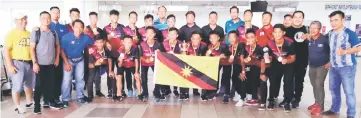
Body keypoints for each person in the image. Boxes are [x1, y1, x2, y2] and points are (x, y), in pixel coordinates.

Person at [322, 10, 361, 118]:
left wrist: (345, 52)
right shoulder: (330, 33)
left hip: (347, 67)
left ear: (342, 20)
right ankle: (335, 109)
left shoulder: (349, 33)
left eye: (336, 20)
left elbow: (359, 47)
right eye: (331, 21)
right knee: (333, 90)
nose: (333, 23)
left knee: (349, 92)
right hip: (334, 67)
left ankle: (351, 115)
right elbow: (332, 49)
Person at [30, 11, 62, 114]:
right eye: (43, 18)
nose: (46, 20)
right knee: (39, 86)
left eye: (48, 18)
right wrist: (34, 63)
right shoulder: (36, 32)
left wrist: (57, 58)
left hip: (51, 64)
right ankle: (37, 105)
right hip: (40, 65)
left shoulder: (53, 33)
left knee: (50, 84)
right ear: (40, 19)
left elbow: (57, 46)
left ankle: (49, 101)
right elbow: (32, 49)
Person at [4, 12, 34, 114]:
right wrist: (10, 65)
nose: (24, 21)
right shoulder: (11, 34)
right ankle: (17, 106)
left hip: (29, 62)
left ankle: (29, 102)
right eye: (21, 19)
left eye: (25, 19)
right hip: (17, 63)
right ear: (16, 21)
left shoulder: (30, 34)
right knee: (17, 86)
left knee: (29, 84)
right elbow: (6, 51)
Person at [60, 19, 94, 107]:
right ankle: (65, 99)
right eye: (76, 27)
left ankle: (80, 97)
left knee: (80, 79)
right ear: (72, 27)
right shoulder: (66, 37)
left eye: (81, 27)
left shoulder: (85, 37)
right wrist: (66, 63)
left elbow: (95, 43)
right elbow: (61, 51)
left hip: (80, 60)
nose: (78, 29)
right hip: (68, 60)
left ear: (83, 29)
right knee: (67, 80)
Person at [266, 24, 296, 112]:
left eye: (279, 32)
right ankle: (271, 100)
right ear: (273, 33)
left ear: (283, 33)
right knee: (273, 81)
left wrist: (287, 61)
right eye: (275, 32)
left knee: (288, 82)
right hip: (275, 64)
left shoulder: (290, 42)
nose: (277, 34)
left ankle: (287, 101)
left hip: (288, 64)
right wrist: (267, 58)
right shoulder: (270, 43)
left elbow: (293, 58)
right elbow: (267, 54)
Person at [283, 11, 309, 108]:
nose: (297, 19)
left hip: (302, 61)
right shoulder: (286, 31)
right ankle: (287, 99)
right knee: (288, 80)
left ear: (303, 19)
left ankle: (297, 99)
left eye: (300, 17)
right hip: (289, 59)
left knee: (299, 80)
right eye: (296, 17)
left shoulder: (307, 30)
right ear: (292, 18)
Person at [239, 29, 268, 109]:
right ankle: (243, 97)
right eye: (248, 37)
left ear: (256, 38)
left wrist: (262, 73)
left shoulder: (261, 48)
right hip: (252, 68)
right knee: (242, 75)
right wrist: (243, 71)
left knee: (261, 78)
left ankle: (262, 101)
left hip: (263, 68)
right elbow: (242, 61)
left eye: (252, 37)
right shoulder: (245, 48)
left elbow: (264, 62)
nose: (250, 39)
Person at [306, 21, 330, 115]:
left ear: (319, 29)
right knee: (314, 84)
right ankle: (316, 102)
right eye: (311, 28)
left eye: (315, 28)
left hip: (322, 66)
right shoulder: (309, 39)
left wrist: (330, 62)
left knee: (318, 84)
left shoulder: (324, 39)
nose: (312, 30)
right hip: (312, 65)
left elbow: (333, 50)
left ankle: (320, 106)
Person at [103, 9, 126, 98]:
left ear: (118, 17)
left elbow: (124, 40)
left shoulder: (122, 27)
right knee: (110, 71)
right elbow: (103, 41)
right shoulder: (106, 28)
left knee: (120, 71)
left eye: (116, 16)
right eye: (112, 16)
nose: (114, 18)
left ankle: (121, 89)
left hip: (119, 53)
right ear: (110, 17)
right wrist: (108, 40)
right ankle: (110, 90)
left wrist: (121, 52)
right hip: (109, 54)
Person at [139, 26, 165, 102]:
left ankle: (156, 93)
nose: (149, 35)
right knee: (143, 78)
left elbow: (163, 55)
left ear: (154, 34)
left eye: (151, 33)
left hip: (155, 63)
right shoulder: (142, 44)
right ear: (145, 34)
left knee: (158, 77)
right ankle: (145, 93)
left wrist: (159, 53)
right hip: (144, 63)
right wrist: (146, 60)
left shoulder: (159, 44)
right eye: (148, 33)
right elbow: (140, 55)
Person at [49, 6, 69, 105]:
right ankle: (48, 98)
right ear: (50, 14)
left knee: (58, 77)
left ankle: (56, 97)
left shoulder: (63, 27)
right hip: (48, 56)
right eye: (54, 13)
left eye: (58, 13)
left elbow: (66, 42)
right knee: (49, 77)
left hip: (61, 55)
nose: (56, 15)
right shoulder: (47, 26)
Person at [84, 12, 106, 97]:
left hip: (99, 55)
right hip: (89, 55)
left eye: (95, 18)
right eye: (91, 18)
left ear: (97, 19)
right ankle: (90, 95)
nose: (93, 20)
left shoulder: (100, 30)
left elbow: (103, 41)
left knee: (98, 75)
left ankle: (98, 91)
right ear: (89, 19)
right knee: (90, 75)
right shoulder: (85, 29)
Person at [205, 31, 231, 103]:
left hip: (226, 62)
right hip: (217, 63)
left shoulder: (224, 45)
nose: (213, 40)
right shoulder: (210, 46)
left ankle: (226, 94)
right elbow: (207, 56)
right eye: (211, 38)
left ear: (218, 38)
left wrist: (220, 56)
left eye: (214, 38)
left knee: (226, 77)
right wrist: (208, 54)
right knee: (214, 76)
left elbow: (224, 55)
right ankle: (213, 91)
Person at [87, 34, 113, 102]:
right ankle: (90, 95)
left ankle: (109, 92)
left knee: (110, 74)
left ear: (104, 42)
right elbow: (89, 65)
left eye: (101, 42)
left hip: (104, 63)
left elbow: (109, 60)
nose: (99, 44)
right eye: (97, 42)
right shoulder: (91, 50)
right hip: (93, 63)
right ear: (94, 43)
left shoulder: (107, 48)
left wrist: (110, 70)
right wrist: (95, 63)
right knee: (92, 77)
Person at [121, 11, 142, 98]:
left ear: (136, 19)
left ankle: (136, 88)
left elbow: (140, 42)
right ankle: (129, 89)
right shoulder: (124, 29)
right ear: (129, 18)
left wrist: (137, 40)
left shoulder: (138, 30)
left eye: (135, 17)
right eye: (131, 17)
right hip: (126, 54)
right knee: (127, 73)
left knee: (136, 72)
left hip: (135, 53)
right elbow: (122, 41)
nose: (133, 19)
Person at [117, 36, 141, 100]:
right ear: (123, 43)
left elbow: (136, 60)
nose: (129, 44)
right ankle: (119, 94)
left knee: (137, 76)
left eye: (130, 42)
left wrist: (136, 72)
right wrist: (121, 60)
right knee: (119, 77)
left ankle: (140, 93)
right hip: (123, 65)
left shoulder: (135, 48)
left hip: (132, 64)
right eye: (127, 42)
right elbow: (119, 65)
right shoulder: (120, 50)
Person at [186, 31, 208, 100]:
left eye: (197, 38)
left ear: (200, 39)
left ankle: (204, 94)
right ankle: (184, 93)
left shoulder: (204, 45)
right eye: (193, 38)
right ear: (191, 39)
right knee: (184, 72)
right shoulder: (186, 45)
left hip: (201, 65)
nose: (195, 40)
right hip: (189, 65)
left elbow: (206, 58)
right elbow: (182, 57)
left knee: (205, 73)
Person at [226, 31, 245, 106]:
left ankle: (243, 98)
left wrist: (243, 71)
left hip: (244, 66)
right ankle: (239, 94)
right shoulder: (230, 47)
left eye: (233, 37)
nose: (231, 39)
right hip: (236, 66)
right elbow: (228, 57)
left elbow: (242, 59)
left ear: (238, 37)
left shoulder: (241, 45)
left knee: (242, 80)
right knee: (234, 78)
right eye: (229, 37)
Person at [162, 27, 182, 98]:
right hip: (166, 63)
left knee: (176, 76)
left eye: (174, 34)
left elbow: (183, 55)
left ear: (177, 35)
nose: (172, 36)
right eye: (170, 34)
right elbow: (161, 53)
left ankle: (175, 89)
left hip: (177, 63)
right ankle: (167, 90)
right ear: (168, 35)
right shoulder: (164, 43)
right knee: (165, 75)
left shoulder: (181, 44)